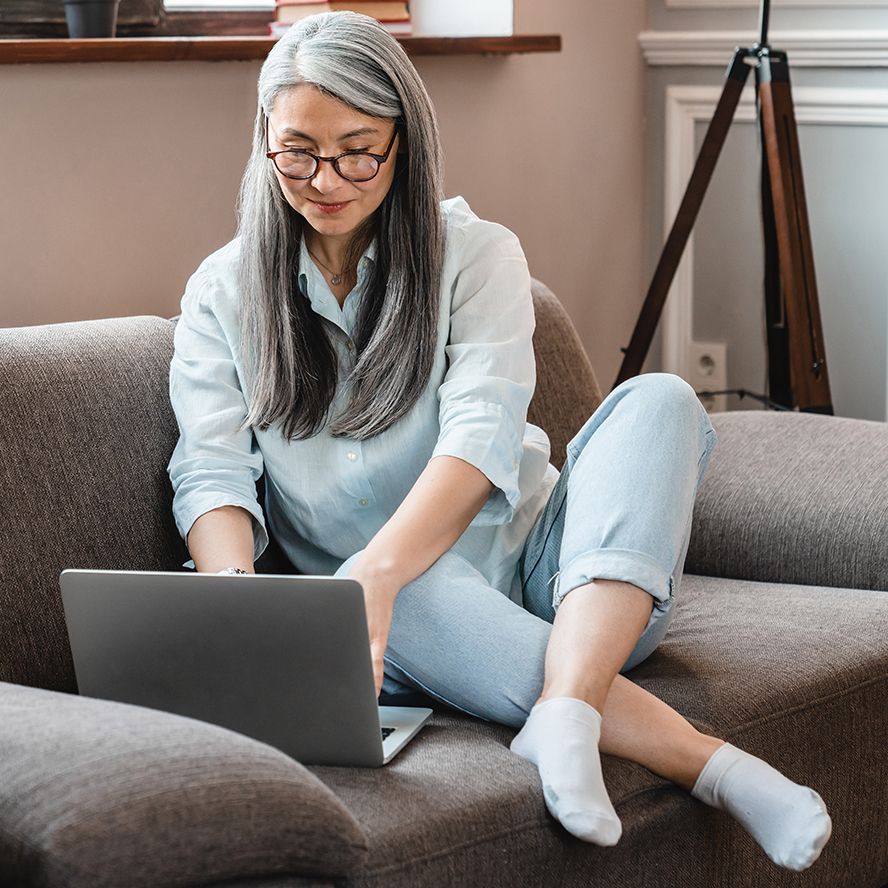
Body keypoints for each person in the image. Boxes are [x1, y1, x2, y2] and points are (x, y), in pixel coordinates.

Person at [168, 11, 832, 870]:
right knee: (400, 579)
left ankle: (564, 704)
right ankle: (708, 763)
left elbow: (482, 441)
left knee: (660, 398)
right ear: (264, 137)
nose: (325, 178)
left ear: (406, 142)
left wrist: (374, 572)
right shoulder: (223, 293)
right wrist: (238, 604)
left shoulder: (476, 255)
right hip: (407, 630)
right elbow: (214, 471)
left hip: (578, 587)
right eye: (297, 149)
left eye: (358, 148)